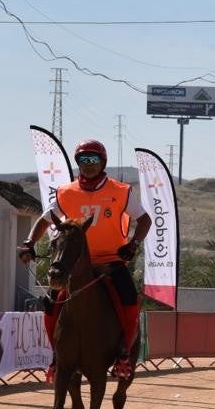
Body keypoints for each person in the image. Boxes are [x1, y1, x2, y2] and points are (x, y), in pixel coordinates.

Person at [17, 139, 151, 379]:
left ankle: (123, 355)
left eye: (93, 160)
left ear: (103, 162)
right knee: (50, 304)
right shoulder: (67, 192)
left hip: (111, 262)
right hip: (75, 266)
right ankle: (56, 357)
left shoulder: (120, 191)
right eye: (83, 160)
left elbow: (145, 220)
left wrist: (133, 245)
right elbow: (45, 220)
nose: (88, 165)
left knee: (130, 300)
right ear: (77, 162)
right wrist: (29, 243)